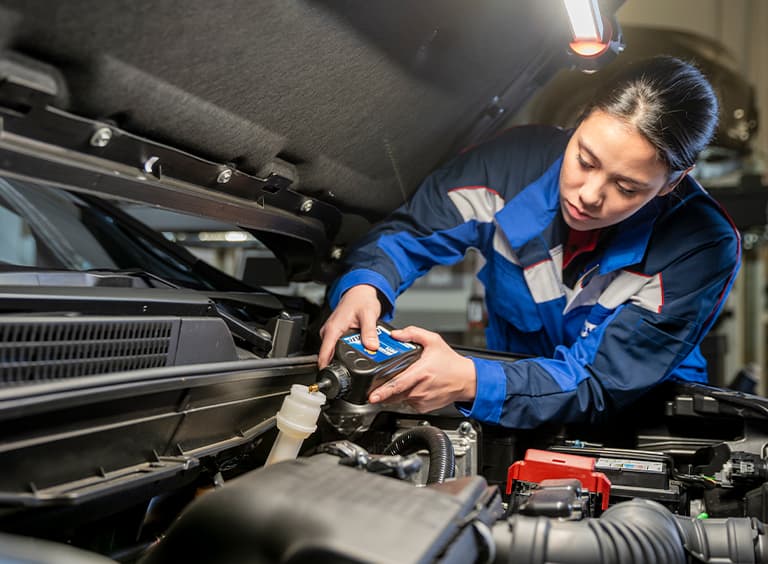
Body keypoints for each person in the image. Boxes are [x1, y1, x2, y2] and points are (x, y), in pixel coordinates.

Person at [318, 56, 741, 429]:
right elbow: (409, 234)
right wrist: (365, 285)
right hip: (510, 409)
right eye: (585, 160)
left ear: (672, 183)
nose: (589, 194)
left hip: (639, 426)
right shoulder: (505, 168)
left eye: (627, 187)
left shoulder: (701, 245)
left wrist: (471, 381)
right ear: (580, 119)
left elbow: (601, 382)